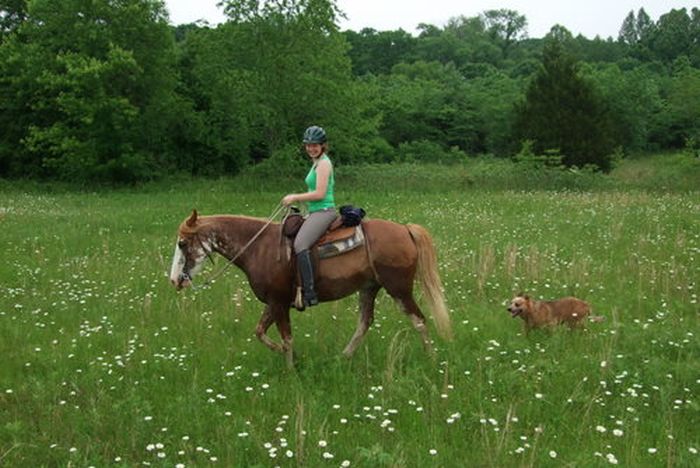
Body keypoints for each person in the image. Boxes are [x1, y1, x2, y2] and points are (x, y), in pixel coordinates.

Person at [281, 125, 336, 307]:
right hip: (315, 211)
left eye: (315, 145)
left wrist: (295, 197)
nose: (311, 148)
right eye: (308, 145)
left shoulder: (324, 164)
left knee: (300, 244)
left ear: (323, 146)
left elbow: (320, 193)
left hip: (324, 211)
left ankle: (309, 292)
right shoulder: (317, 162)